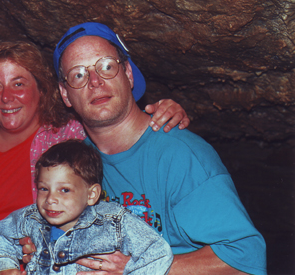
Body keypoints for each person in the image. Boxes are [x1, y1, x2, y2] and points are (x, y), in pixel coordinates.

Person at [0, 39, 189, 274]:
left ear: (42, 90)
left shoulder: (70, 135)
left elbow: (116, 129)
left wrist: (163, 113)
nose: (6, 97)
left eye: (19, 83)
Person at [22, 22, 267, 275]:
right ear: (65, 94)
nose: (95, 81)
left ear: (128, 73)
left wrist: (139, 268)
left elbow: (245, 258)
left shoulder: (179, 156)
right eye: (78, 75)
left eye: (106, 66)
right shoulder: (75, 166)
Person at [0, 139, 173, 275]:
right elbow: (3, 236)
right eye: (44, 188)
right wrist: (5, 267)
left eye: (64, 190)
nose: (50, 199)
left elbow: (157, 252)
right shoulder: (30, 218)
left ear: (91, 194)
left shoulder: (114, 222)